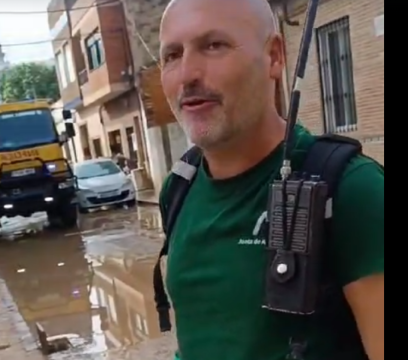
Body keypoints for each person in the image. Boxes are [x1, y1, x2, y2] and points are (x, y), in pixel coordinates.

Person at [156, 0, 384, 360]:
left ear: (275, 56)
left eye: (213, 46)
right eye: (171, 55)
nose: (187, 74)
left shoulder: (351, 190)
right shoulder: (179, 189)